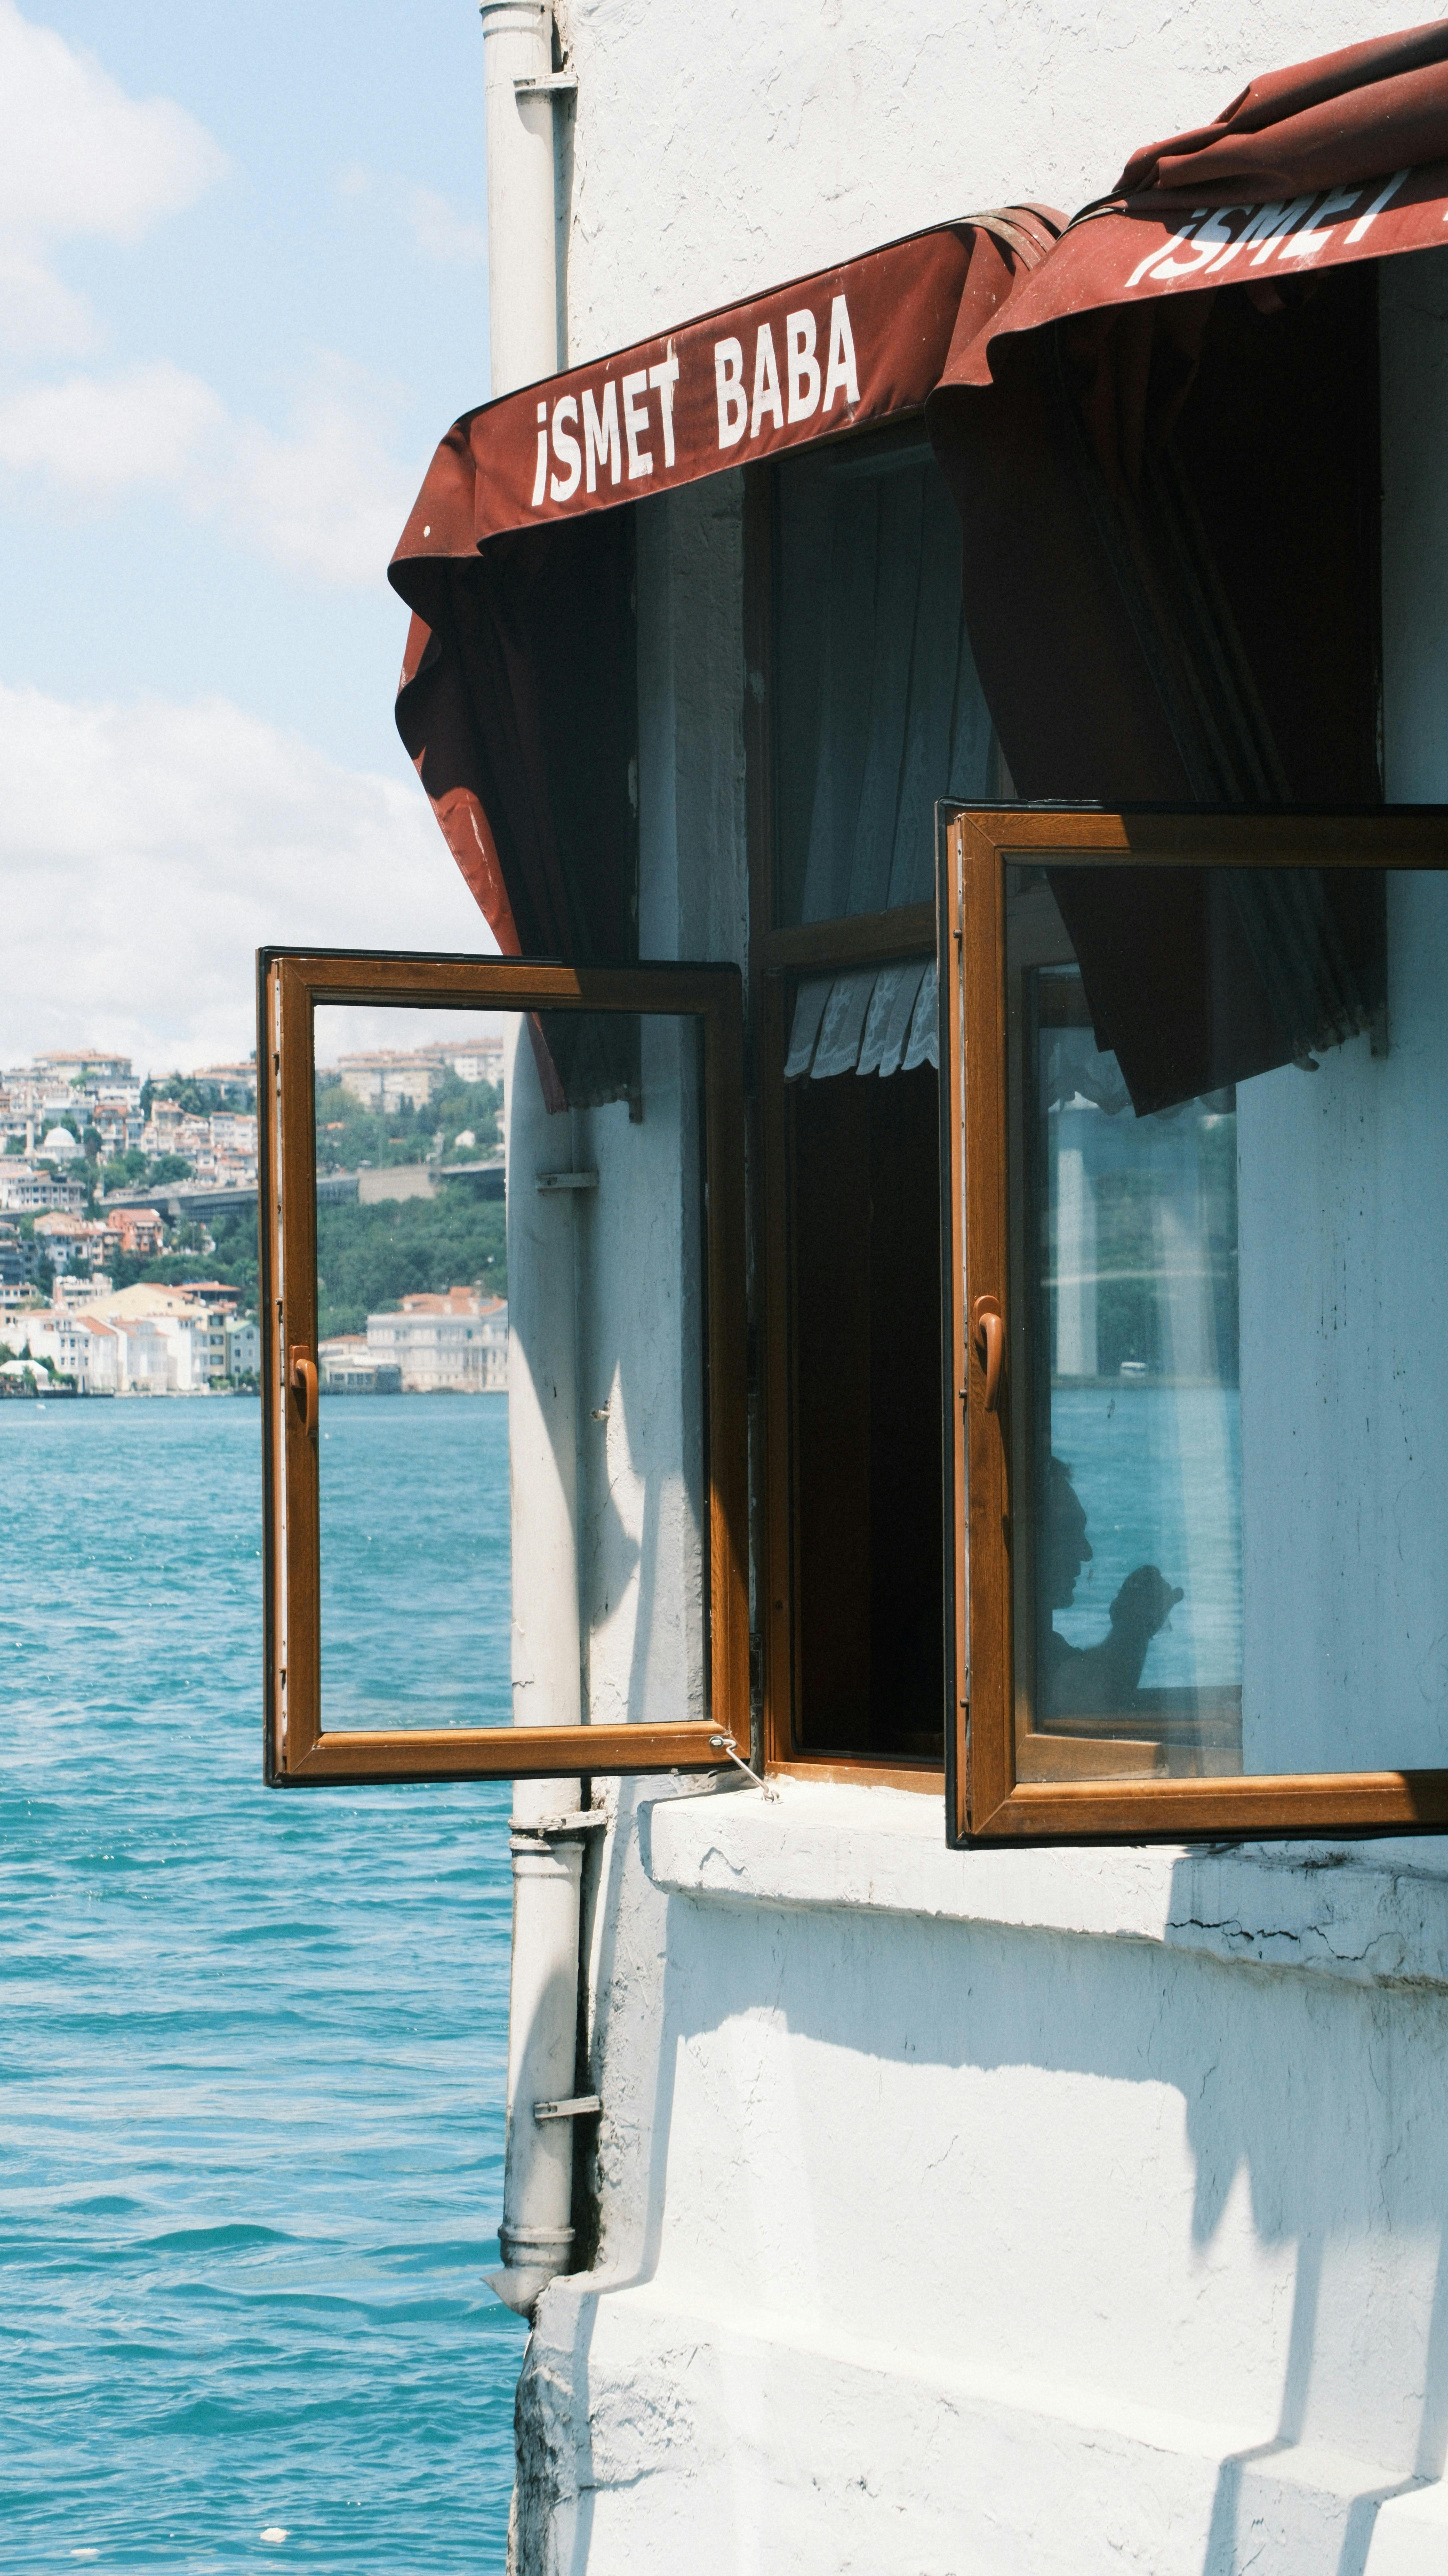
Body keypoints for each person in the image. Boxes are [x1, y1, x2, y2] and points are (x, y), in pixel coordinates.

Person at [1041, 1455, 1182, 1722]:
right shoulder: (1018, 1655)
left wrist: (1132, 1624)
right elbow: (1085, 1695)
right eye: (1069, 1531)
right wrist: (1133, 1623)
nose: (1087, 1552)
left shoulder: (1035, 1645)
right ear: (1028, 1537)